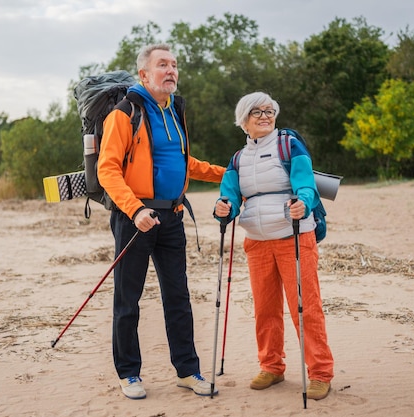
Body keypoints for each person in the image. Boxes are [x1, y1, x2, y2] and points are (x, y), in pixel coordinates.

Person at [97, 43, 225, 400]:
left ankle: (187, 371)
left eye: (174, 65)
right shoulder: (125, 114)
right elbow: (106, 170)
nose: (171, 71)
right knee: (128, 300)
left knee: (178, 297)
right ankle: (129, 374)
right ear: (144, 74)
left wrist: (228, 173)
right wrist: (136, 210)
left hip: (172, 217)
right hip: (134, 218)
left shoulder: (173, 111)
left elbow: (184, 162)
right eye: (162, 65)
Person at [214, 92, 334, 400]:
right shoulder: (238, 159)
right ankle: (272, 366)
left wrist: (304, 202)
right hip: (257, 242)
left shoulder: (289, 145)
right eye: (257, 112)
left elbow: (305, 182)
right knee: (264, 310)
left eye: (270, 111)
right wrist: (223, 207)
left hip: (295, 237)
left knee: (305, 307)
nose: (265, 116)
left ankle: (320, 373)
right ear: (244, 121)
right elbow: (230, 195)